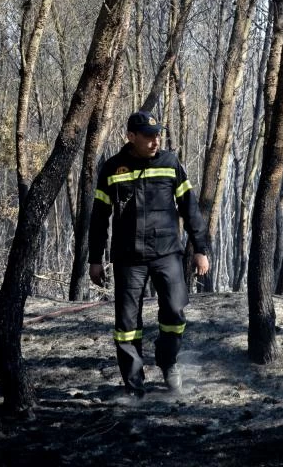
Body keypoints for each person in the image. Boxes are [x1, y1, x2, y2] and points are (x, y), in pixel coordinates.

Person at [88, 110, 210, 399]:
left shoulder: (170, 163)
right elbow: (99, 217)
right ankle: (134, 386)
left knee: (175, 312)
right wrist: (95, 258)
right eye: (148, 136)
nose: (156, 141)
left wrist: (200, 249)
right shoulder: (112, 168)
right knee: (127, 326)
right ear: (131, 137)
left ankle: (168, 362)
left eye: (158, 135)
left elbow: (190, 207)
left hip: (167, 253)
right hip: (128, 258)